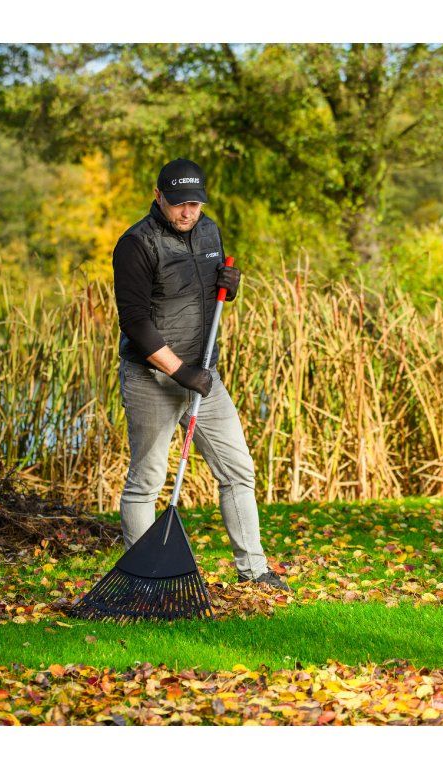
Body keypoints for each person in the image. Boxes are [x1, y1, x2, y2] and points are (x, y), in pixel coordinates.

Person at [110, 157, 289, 590]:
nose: (188, 212)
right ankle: (144, 582)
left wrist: (229, 285)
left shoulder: (209, 231)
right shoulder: (136, 244)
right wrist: (180, 372)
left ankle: (254, 571)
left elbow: (208, 296)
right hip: (153, 377)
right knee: (147, 481)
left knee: (238, 469)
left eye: (195, 203)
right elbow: (135, 322)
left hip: (204, 376)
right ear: (158, 196)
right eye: (179, 203)